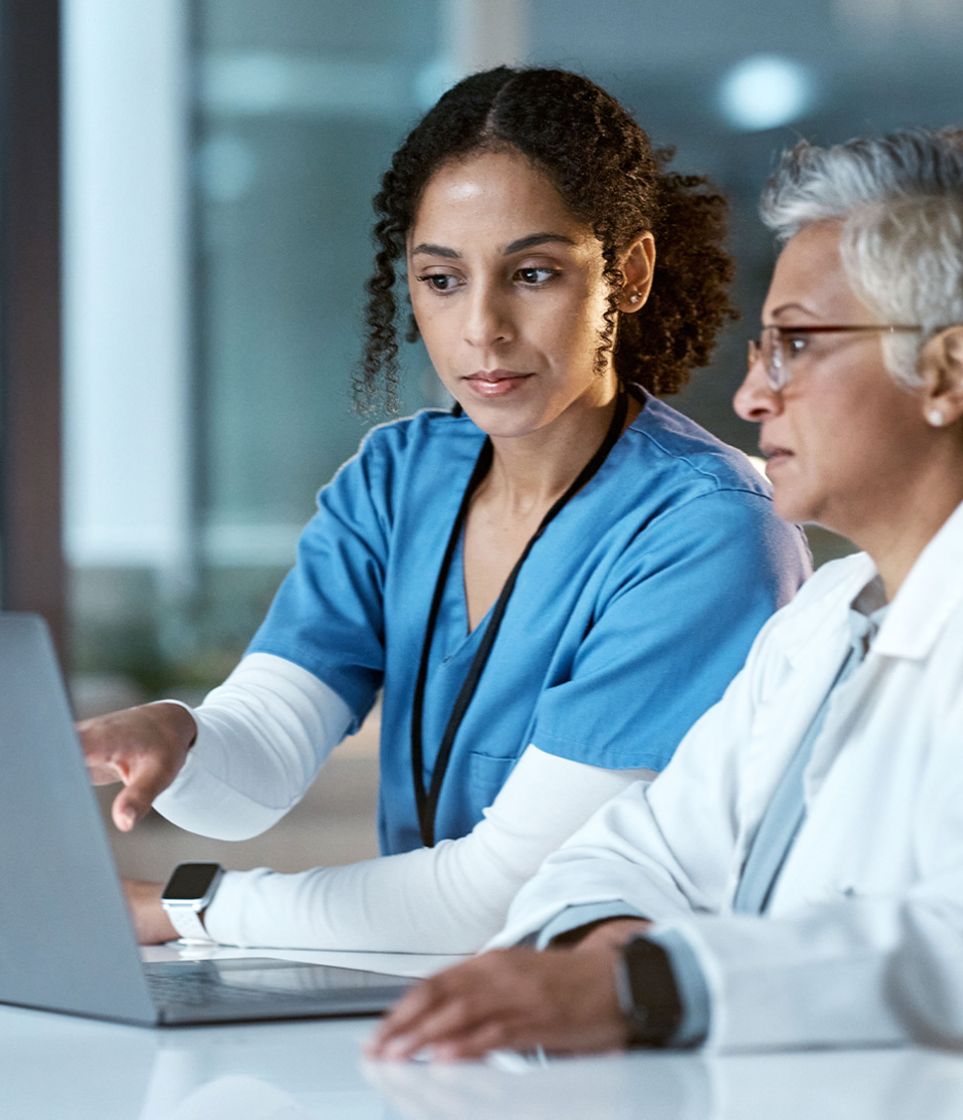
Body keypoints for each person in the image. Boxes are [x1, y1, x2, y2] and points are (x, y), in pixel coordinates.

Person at [80, 66, 809, 954]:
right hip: (431, 1013)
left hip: (617, 1051)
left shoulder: (709, 534)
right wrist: (176, 740)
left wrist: (187, 907)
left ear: (629, 273)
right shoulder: (399, 478)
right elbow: (263, 758)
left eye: (532, 273)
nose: (482, 329)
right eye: (442, 279)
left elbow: (510, 898)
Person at [366, 125, 963, 1057]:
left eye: (797, 344)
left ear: (947, 370)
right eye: (764, 347)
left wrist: (647, 983)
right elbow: (623, 853)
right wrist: (599, 952)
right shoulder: (825, 619)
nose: (754, 397)